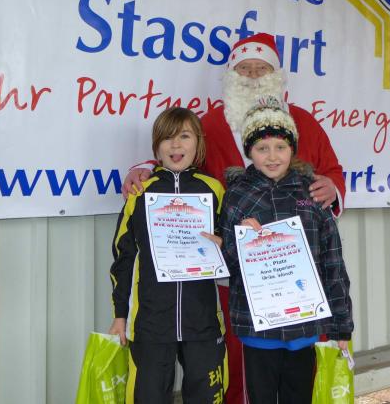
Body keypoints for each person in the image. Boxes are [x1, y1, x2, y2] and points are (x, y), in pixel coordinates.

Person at [122, 31, 346, 404]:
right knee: (244, 359)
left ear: (276, 75)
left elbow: (333, 171)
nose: (254, 75)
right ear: (231, 75)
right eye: (245, 68)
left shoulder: (304, 121)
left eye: (262, 68)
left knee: (298, 366)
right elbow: (181, 158)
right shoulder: (210, 123)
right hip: (236, 267)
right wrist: (144, 168)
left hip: (295, 269)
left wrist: (332, 187)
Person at [220, 97, 353, 403]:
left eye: (280, 146)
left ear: (292, 148)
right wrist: (244, 241)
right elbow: (226, 264)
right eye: (261, 148)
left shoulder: (312, 193)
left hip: (304, 329)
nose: (272, 156)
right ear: (249, 152)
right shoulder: (237, 196)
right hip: (258, 332)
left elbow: (332, 262)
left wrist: (341, 327)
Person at [109, 107, 227, 403]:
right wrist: (120, 315)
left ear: (198, 143)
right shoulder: (140, 192)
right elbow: (123, 257)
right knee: (148, 396)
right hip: (150, 322)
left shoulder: (213, 190)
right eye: (167, 138)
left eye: (184, 136)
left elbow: (232, 251)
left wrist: (227, 244)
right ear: (156, 147)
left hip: (203, 320)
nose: (175, 144)